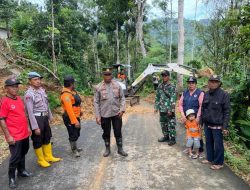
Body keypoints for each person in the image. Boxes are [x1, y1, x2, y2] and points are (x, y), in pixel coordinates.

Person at [24, 72, 61, 168]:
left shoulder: (42, 90)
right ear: (30, 81)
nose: (38, 81)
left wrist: (50, 116)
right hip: (36, 118)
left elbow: (46, 105)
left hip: (44, 117)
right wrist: (35, 127)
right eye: (35, 80)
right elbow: (29, 112)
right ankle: (41, 160)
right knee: (38, 138)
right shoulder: (29, 94)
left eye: (39, 79)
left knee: (47, 136)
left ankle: (48, 156)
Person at [0, 78, 32, 189]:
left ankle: (21, 171)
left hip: (24, 133)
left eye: (16, 86)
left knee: (23, 152)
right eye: (12, 86)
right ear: (6, 88)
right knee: (15, 156)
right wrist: (8, 136)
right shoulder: (4, 101)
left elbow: (24, 114)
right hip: (14, 135)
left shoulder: (19, 99)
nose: (15, 88)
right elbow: (2, 119)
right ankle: (11, 178)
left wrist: (28, 127)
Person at [94, 67, 128, 157]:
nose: (108, 76)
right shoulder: (98, 87)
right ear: (103, 75)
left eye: (109, 74)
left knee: (118, 131)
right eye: (106, 74)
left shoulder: (117, 85)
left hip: (116, 113)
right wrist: (98, 116)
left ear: (111, 75)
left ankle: (120, 149)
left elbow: (122, 98)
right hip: (104, 114)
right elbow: (96, 102)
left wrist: (122, 110)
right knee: (106, 132)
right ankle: (107, 148)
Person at [201, 75, 230, 170]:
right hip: (207, 123)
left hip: (218, 125)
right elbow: (203, 109)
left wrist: (225, 126)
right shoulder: (206, 94)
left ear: (219, 83)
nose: (213, 83)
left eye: (215, 82)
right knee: (208, 142)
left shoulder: (224, 95)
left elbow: (227, 111)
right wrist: (201, 121)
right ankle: (210, 158)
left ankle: (219, 162)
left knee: (218, 144)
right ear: (208, 83)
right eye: (211, 81)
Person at [179, 76, 204, 157]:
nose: (190, 84)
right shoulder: (184, 92)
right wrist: (183, 115)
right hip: (187, 118)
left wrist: (198, 117)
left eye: (192, 83)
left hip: (196, 118)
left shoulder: (200, 93)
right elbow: (180, 104)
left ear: (195, 84)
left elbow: (201, 106)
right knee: (189, 132)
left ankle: (199, 150)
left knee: (197, 132)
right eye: (189, 83)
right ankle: (190, 147)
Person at [60, 75, 82, 157]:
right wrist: (75, 121)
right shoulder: (66, 95)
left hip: (76, 116)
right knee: (73, 134)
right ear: (71, 84)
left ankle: (75, 146)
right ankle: (74, 149)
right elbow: (69, 110)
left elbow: (76, 103)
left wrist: (80, 111)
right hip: (70, 118)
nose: (74, 84)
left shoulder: (72, 92)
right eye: (73, 83)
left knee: (77, 132)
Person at [154, 70, 177, 146]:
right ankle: (166, 136)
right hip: (162, 109)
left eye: (165, 75)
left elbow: (173, 99)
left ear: (168, 76)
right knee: (163, 124)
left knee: (171, 124)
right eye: (163, 76)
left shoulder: (172, 86)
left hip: (169, 109)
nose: (164, 77)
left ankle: (172, 139)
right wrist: (156, 107)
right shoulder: (160, 86)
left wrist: (171, 109)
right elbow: (157, 97)